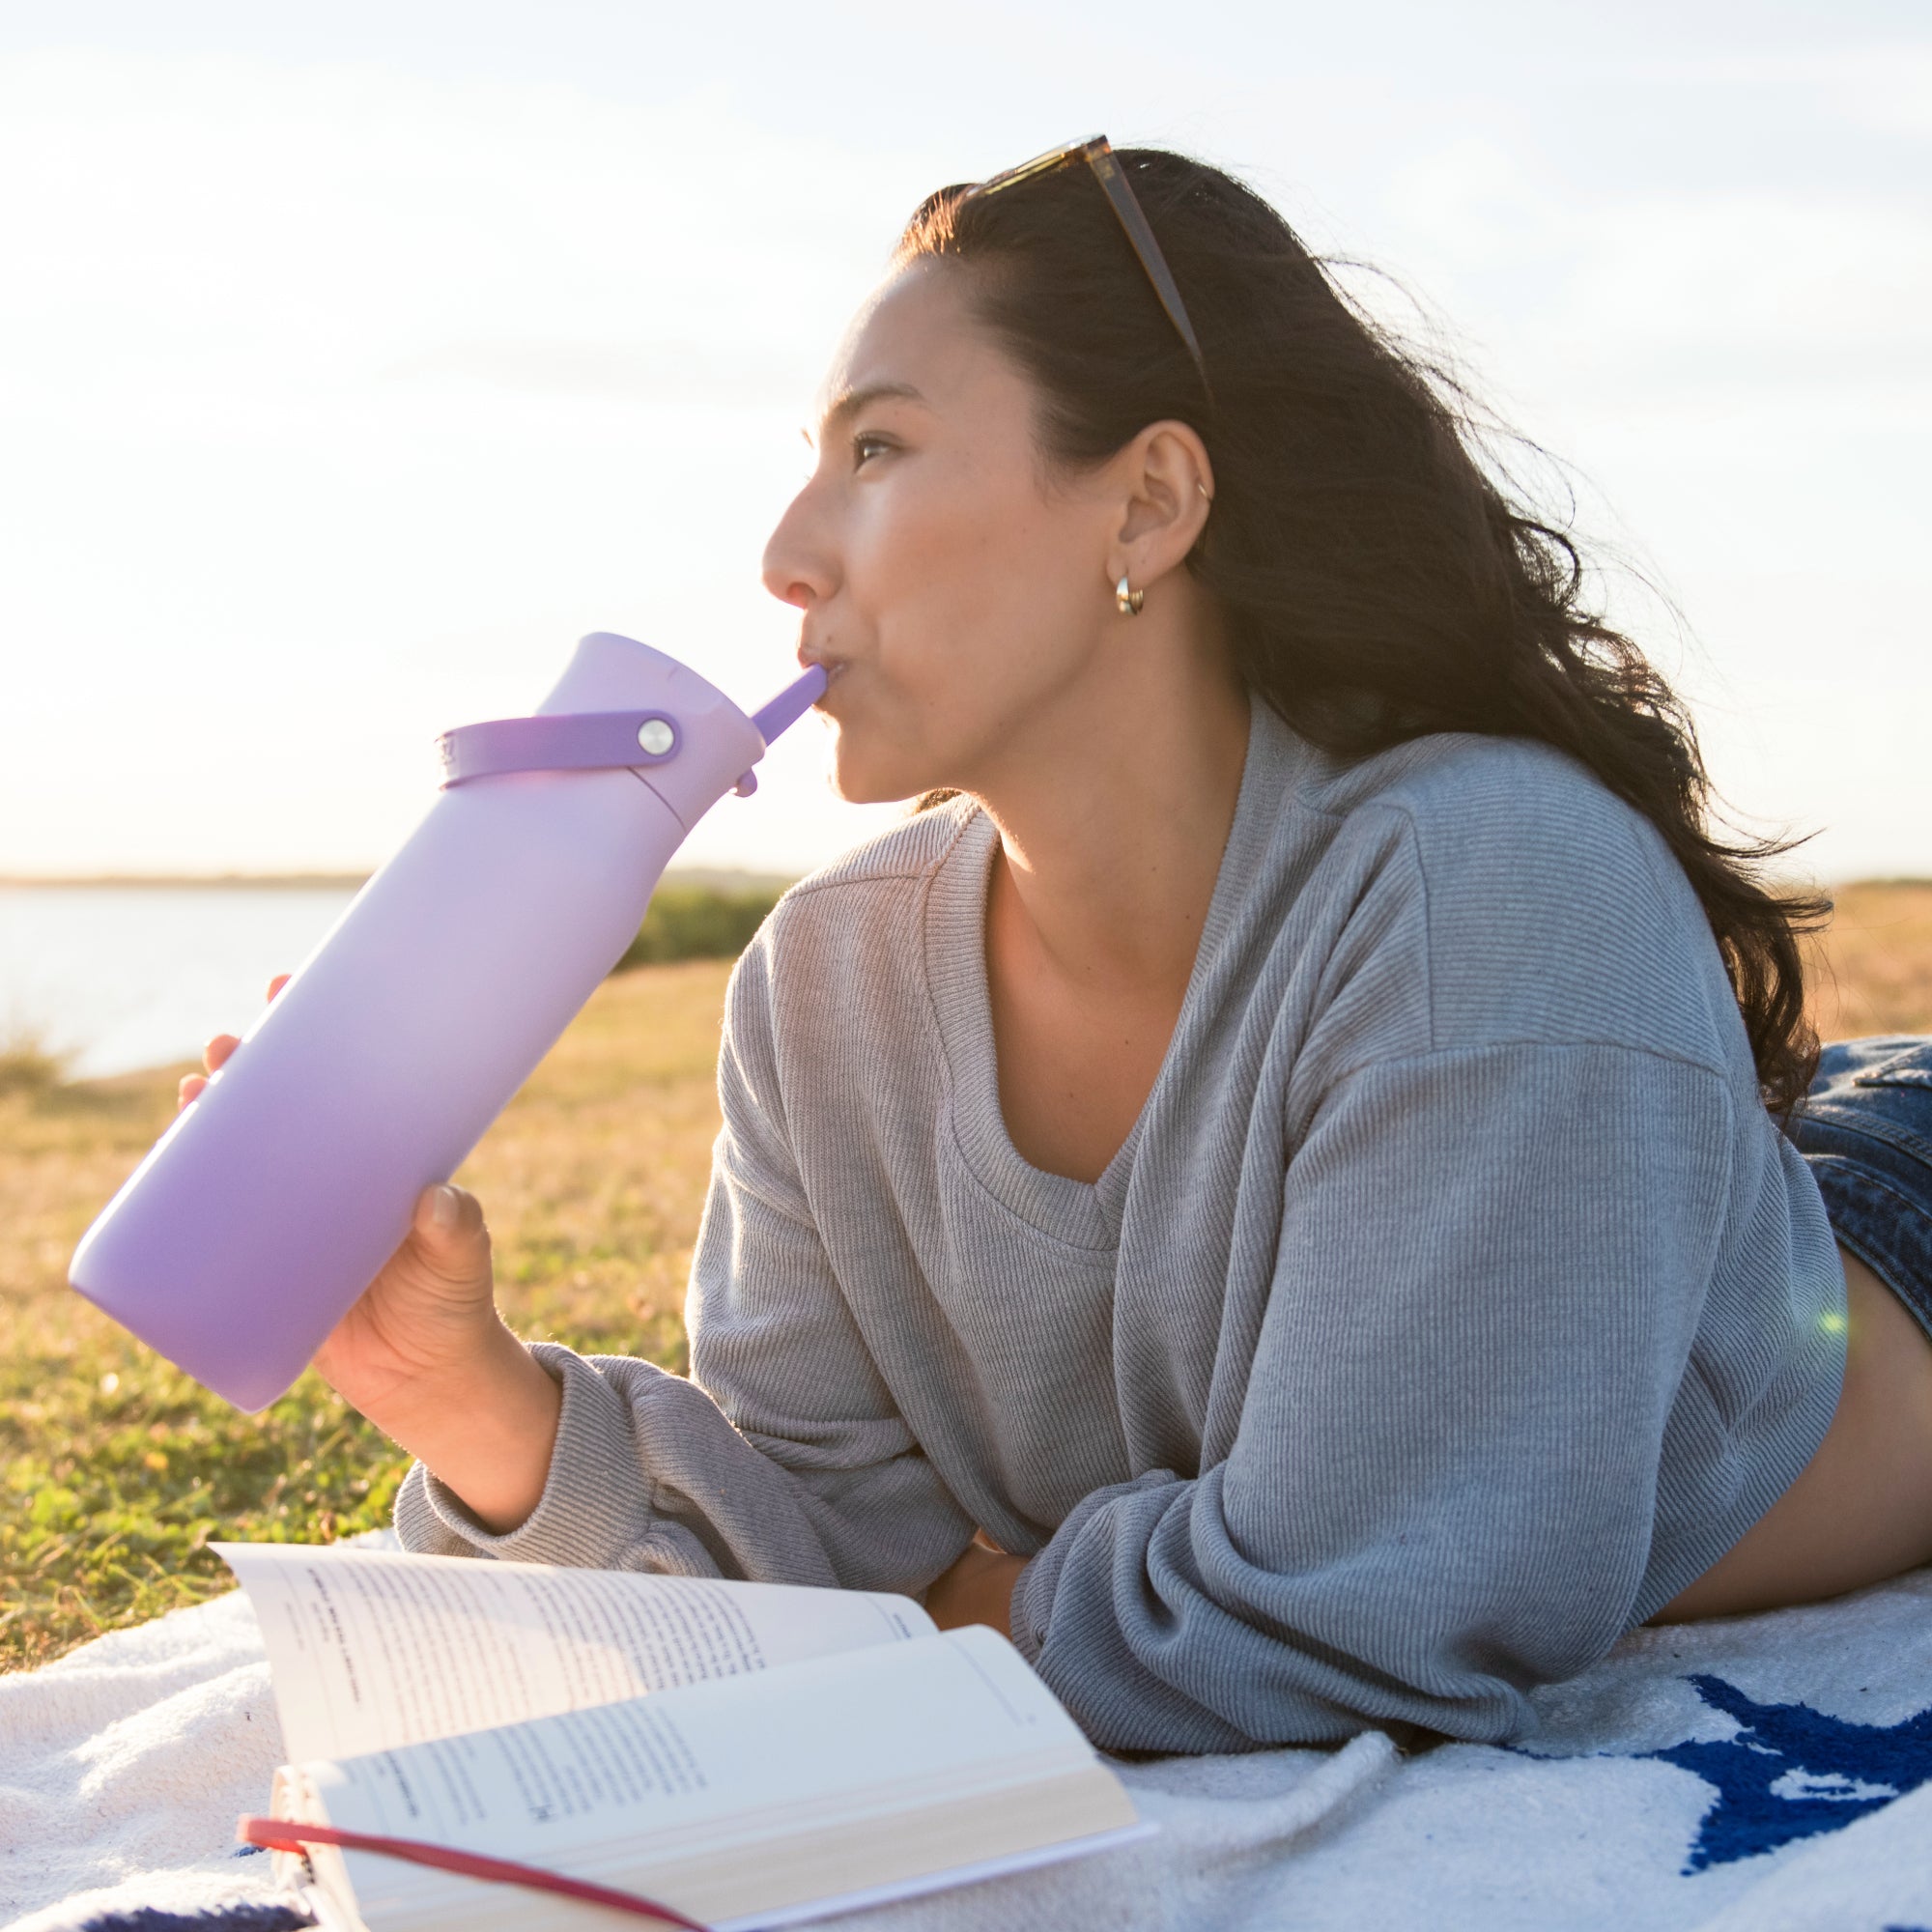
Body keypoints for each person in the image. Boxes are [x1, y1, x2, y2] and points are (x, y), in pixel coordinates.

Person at [185, 141, 1932, 1755]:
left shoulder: (1488, 883)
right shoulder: (825, 986)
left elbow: (1366, 1619)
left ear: (1149, 505)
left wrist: (953, 1605)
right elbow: (819, 1538)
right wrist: (466, 1395)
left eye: (877, 450)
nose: (788, 554)